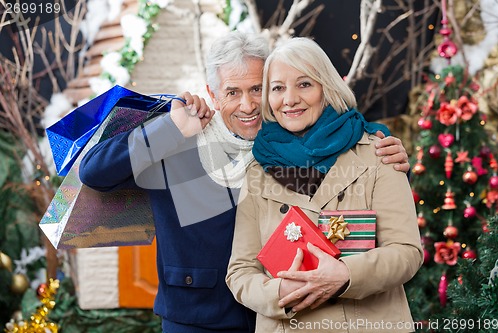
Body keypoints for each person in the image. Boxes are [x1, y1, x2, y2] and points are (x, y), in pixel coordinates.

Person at [79, 32, 410, 333]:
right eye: (232, 92)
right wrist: (170, 128)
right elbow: (94, 172)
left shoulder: (287, 141)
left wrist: (386, 148)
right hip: (197, 317)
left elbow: (346, 158)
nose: (248, 105)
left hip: (280, 315)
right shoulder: (179, 143)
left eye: (257, 89)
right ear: (213, 93)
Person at [225, 37, 423, 333]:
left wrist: (345, 274)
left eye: (304, 84)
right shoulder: (258, 170)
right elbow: (240, 272)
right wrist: (277, 293)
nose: (289, 99)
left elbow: (407, 251)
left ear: (327, 89)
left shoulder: (378, 152)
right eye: (278, 88)